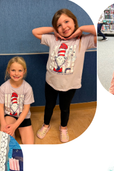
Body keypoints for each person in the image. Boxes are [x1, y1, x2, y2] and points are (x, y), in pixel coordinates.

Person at [32, 8, 96, 143]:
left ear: (74, 21)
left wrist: (81, 29)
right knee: (49, 105)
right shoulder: (53, 39)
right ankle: (46, 125)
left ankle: (63, 127)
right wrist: (53, 30)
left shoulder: (83, 41)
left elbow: (97, 30)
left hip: (70, 84)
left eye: (66, 21)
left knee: (65, 108)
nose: (63, 27)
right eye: (59, 25)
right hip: (51, 82)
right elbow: (35, 32)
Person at [0, 57, 35, 144]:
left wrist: (15, 126)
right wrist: (3, 124)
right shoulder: (3, 87)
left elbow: (26, 109)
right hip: (10, 116)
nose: (16, 73)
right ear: (8, 70)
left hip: (24, 118)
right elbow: (0, 106)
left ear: (24, 71)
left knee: (30, 145)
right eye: (13, 70)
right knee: (8, 142)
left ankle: (17, 128)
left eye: (20, 70)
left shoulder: (27, 88)